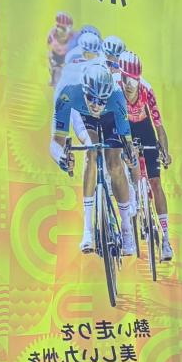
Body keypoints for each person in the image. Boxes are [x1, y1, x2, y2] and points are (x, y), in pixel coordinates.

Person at [51, 62, 140, 257]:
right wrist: (62, 158)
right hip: (83, 116)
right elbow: (55, 143)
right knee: (91, 151)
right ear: (83, 90)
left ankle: (126, 228)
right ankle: (87, 231)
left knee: (115, 164)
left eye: (101, 100)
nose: (96, 105)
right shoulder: (68, 93)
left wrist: (130, 155)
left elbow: (127, 141)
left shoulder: (116, 97)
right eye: (92, 98)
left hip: (111, 118)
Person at [117, 51, 174, 261]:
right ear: (121, 77)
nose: (130, 85)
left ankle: (166, 239)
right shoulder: (116, 90)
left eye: (135, 80)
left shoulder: (146, 90)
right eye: (127, 79)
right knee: (126, 167)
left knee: (155, 182)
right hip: (124, 128)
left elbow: (159, 126)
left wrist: (165, 152)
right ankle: (131, 199)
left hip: (144, 127)